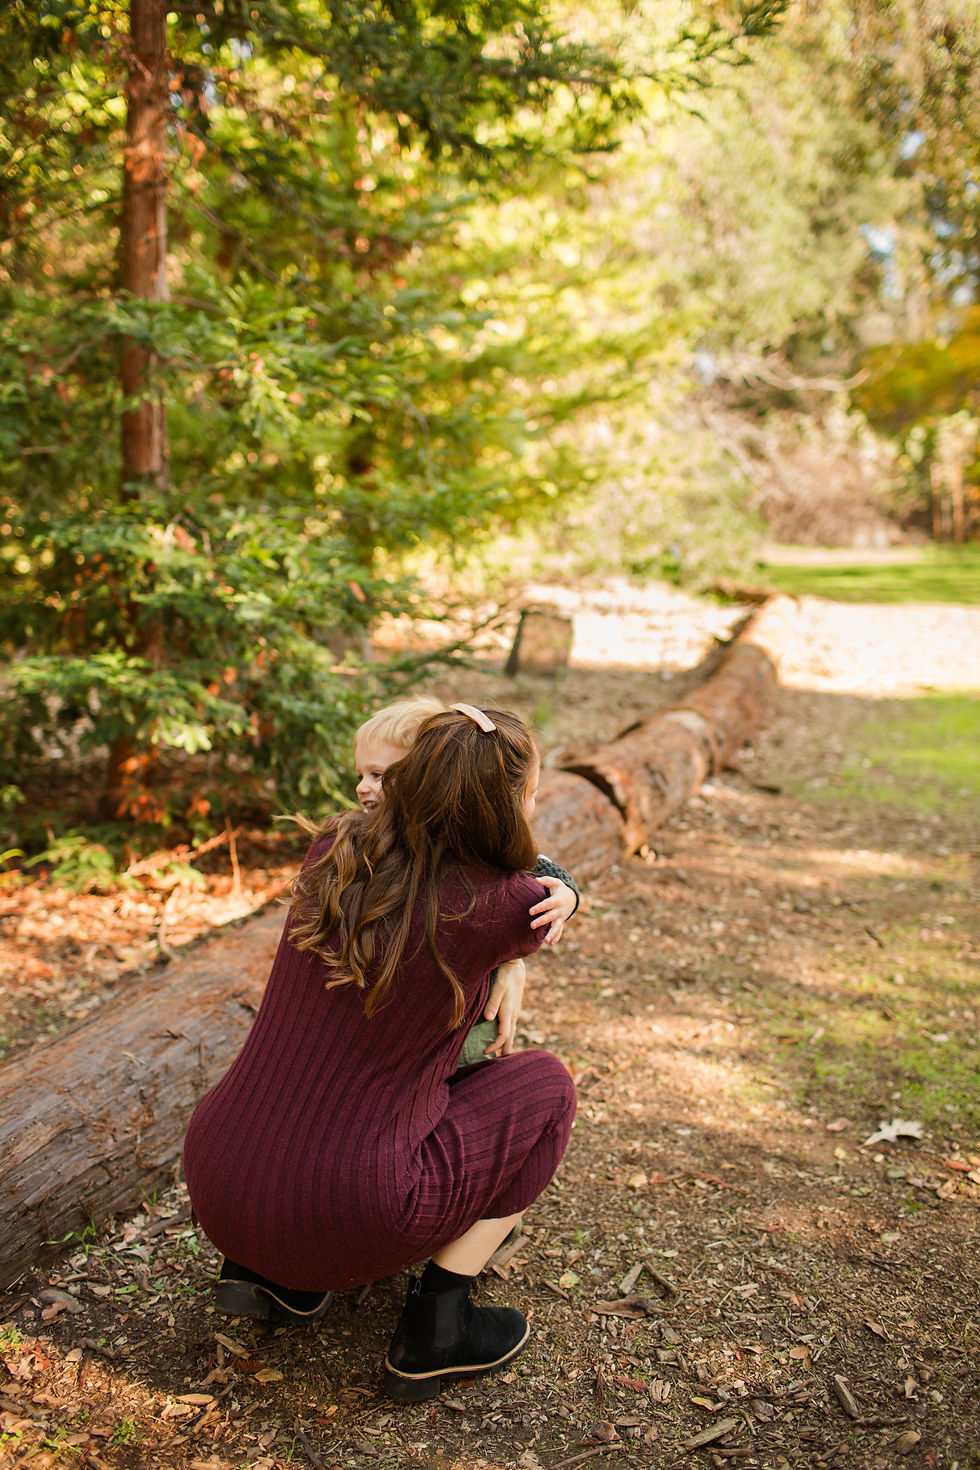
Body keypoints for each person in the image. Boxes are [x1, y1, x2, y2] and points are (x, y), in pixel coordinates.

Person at [183, 705, 578, 1401]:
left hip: (216, 1180)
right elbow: (537, 881)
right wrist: (562, 899)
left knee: (334, 1071)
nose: (534, 803)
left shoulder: (334, 844)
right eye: (530, 791)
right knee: (546, 1085)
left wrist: (507, 960)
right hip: (350, 1211)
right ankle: (438, 1329)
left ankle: (275, 1278)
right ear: (504, 803)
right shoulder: (503, 906)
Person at [354, 696, 580, 1065]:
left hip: (462, 1019)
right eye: (361, 775)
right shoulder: (363, 842)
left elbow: (535, 868)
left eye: (379, 775)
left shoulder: (461, 843)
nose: (363, 787)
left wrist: (567, 895)